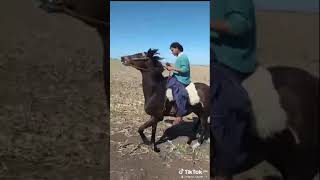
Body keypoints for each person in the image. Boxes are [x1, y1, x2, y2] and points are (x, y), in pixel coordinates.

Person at [210, 0, 257, 179]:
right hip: (212, 56)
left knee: (220, 110)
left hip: (229, 60)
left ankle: (225, 166)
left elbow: (240, 26)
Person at [165, 42, 191, 125]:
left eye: (172, 50)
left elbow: (185, 69)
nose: (171, 52)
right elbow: (179, 68)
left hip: (182, 80)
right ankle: (171, 107)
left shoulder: (183, 57)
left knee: (178, 92)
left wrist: (172, 68)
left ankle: (180, 115)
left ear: (177, 48)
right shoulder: (179, 57)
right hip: (177, 77)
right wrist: (171, 66)